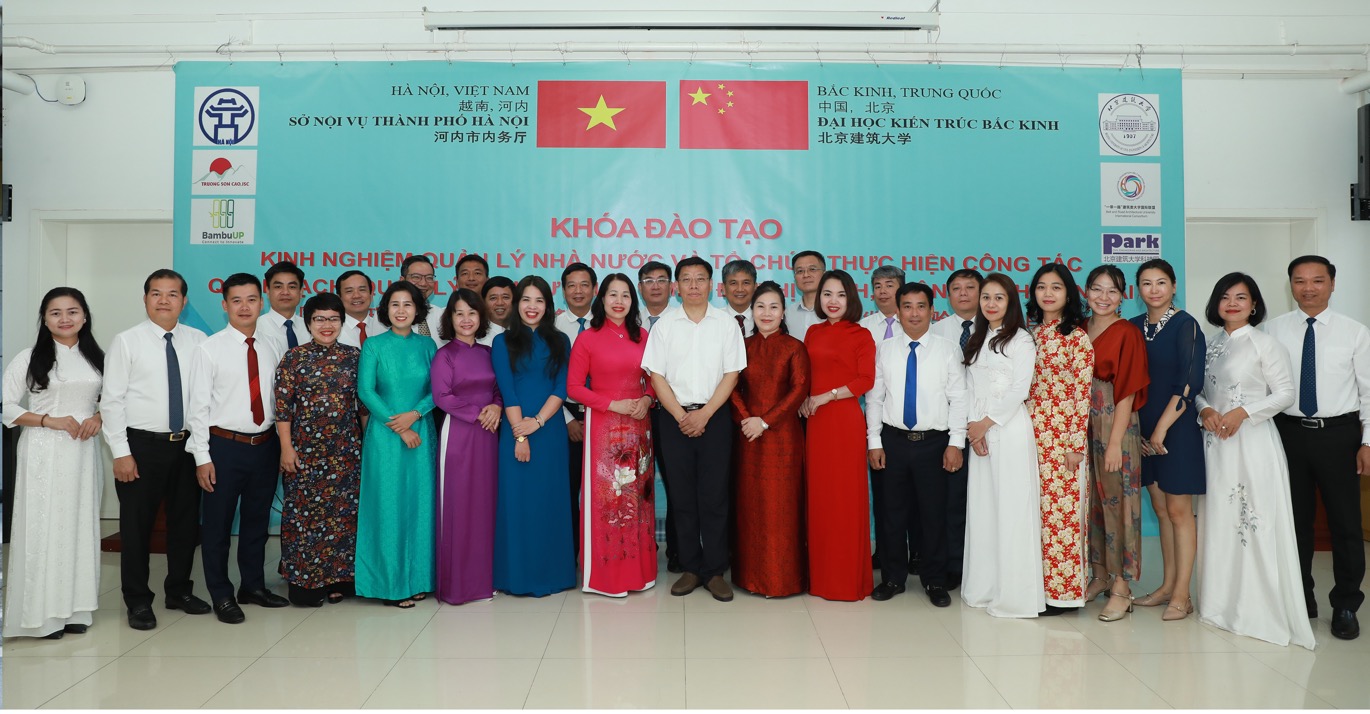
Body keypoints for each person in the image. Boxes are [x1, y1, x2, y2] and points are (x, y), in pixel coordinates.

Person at [1196, 273, 1314, 649]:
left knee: (1253, 520)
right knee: (1220, 521)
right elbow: (1199, 390)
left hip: (1252, 441)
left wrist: (1243, 413)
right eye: (1225, 297)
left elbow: (1285, 394)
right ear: (1216, 303)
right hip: (1216, 445)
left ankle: (1257, 609)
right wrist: (1205, 410)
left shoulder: (1265, 344)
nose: (1232, 303)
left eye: (1241, 297)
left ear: (1254, 305)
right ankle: (1219, 605)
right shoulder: (1211, 344)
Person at [100, 269, 211, 631]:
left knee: (185, 525)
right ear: (145, 298)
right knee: (136, 528)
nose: (164, 300)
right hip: (141, 447)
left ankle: (178, 591)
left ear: (184, 301)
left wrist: (201, 452)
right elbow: (111, 401)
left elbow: (201, 400)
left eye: (172, 294)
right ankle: (137, 600)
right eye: (156, 293)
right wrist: (120, 452)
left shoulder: (198, 340)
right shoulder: (127, 341)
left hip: (185, 446)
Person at [1265, 255, 1369, 640]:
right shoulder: (1272, 330)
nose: (1308, 288)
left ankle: (1345, 604)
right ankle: (1301, 598)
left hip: (1339, 435)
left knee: (1345, 523)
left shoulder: (1355, 332)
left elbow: (1368, 392)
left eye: (1317, 280)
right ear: (1290, 285)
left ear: (1332, 284)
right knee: (1293, 522)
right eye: (1300, 280)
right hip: (1287, 433)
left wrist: (1368, 441)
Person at [186, 273, 290, 624]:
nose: (245, 307)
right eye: (236, 300)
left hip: (264, 445)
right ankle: (221, 594)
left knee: (257, 522)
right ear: (224, 305)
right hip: (223, 447)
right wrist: (202, 457)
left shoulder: (273, 345)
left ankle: (253, 586)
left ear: (262, 302)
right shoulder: (209, 349)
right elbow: (197, 409)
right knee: (217, 527)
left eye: (251, 299)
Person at [2, 288, 105, 639]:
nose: (65, 319)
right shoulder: (29, 357)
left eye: (72, 311)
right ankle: (40, 617)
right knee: (43, 527)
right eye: (55, 312)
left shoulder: (97, 358)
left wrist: (99, 417)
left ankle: (75, 610)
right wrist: (49, 420)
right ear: (44, 320)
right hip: (43, 450)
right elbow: (6, 406)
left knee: (79, 525)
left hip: (83, 452)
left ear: (85, 316)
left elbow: (115, 400)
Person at [642, 257, 746, 602]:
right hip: (674, 420)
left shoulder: (726, 324)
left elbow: (732, 374)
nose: (694, 285)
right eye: (686, 279)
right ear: (677, 287)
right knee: (682, 496)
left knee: (715, 496)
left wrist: (705, 415)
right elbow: (656, 376)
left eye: (700, 279)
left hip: (715, 418)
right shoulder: (665, 326)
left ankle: (714, 570)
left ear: (712, 285)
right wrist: (680, 415)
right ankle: (690, 567)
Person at [866, 282, 967, 606]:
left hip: (934, 443)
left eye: (920, 306)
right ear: (897, 311)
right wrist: (874, 441)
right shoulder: (885, 349)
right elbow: (875, 399)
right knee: (890, 513)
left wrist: (955, 443)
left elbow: (959, 399)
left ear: (932, 311)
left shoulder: (948, 349)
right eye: (907, 306)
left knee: (933, 514)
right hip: (893, 441)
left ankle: (934, 580)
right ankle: (892, 578)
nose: (914, 313)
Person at [567, 273, 658, 597]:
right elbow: (573, 387)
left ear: (633, 301)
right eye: (612, 295)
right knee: (609, 496)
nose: (619, 301)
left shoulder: (643, 336)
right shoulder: (588, 338)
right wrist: (611, 403)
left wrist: (647, 399)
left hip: (639, 425)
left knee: (638, 497)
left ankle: (639, 571)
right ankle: (607, 577)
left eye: (625, 295)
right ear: (601, 299)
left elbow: (656, 381)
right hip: (604, 426)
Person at [960, 272, 1043, 618]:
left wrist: (986, 423)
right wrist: (974, 429)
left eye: (999, 298)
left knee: (1011, 509)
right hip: (979, 432)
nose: (991, 304)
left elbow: (1020, 389)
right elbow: (968, 388)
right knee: (984, 510)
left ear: (1010, 302)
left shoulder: (1021, 339)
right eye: (986, 297)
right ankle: (985, 588)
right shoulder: (977, 338)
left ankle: (1014, 595)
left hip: (1008, 430)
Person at [273, 292, 363, 608]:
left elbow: (364, 406)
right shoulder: (294, 358)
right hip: (305, 453)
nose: (327, 325)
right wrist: (286, 448)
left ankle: (338, 580)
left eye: (333, 319)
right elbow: (282, 409)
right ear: (308, 323)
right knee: (305, 518)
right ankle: (306, 582)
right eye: (320, 319)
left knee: (342, 517)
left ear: (342, 322)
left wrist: (368, 446)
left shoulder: (354, 357)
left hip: (346, 452)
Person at [1128, 259, 1206, 622]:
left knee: (1178, 512)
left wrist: (1160, 430)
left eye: (1161, 282)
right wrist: (1141, 432)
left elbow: (1189, 383)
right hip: (1143, 434)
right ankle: (1166, 586)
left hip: (1176, 430)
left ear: (1174, 286)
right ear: (1138, 290)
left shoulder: (1186, 325)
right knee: (1161, 511)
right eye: (1146, 283)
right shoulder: (1133, 327)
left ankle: (1182, 594)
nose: (1154, 289)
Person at [355, 280, 439, 608]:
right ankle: (390, 584)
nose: (401, 311)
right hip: (386, 437)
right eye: (395, 304)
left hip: (422, 433)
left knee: (420, 505)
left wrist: (415, 414)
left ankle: (419, 580)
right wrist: (400, 426)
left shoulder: (428, 346)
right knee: (388, 505)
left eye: (408, 304)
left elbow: (438, 390)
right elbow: (366, 391)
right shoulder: (374, 346)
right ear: (385, 309)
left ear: (418, 310)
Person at [491, 276, 576, 596]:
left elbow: (561, 387)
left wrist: (538, 422)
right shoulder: (502, 341)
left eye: (539, 300)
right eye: (526, 300)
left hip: (550, 430)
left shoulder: (560, 340)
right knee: (518, 502)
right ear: (517, 304)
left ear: (548, 306)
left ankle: (553, 574)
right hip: (515, 431)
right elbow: (507, 390)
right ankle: (517, 576)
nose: (532, 307)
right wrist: (520, 435)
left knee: (549, 501)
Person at [728, 282, 810, 597]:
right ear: (752, 311)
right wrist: (747, 419)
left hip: (783, 438)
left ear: (783, 312)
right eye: (760, 306)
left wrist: (765, 421)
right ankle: (750, 577)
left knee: (783, 507)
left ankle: (784, 579)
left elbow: (799, 389)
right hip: (748, 437)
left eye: (773, 307)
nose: (766, 313)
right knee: (749, 507)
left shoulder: (794, 347)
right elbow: (730, 386)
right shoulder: (741, 346)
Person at [802, 269, 876, 602]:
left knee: (845, 499)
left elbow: (865, 380)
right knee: (820, 498)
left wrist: (827, 396)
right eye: (827, 294)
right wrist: (804, 398)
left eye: (841, 295)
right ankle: (821, 578)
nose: (833, 301)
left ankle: (847, 580)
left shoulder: (861, 335)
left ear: (851, 299)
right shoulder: (813, 332)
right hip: (815, 424)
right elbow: (805, 375)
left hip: (844, 421)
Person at [1025, 263, 1094, 615]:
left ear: (1068, 293)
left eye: (1056, 287)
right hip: (1030, 438)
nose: (1048, 293)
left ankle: (1065, 597)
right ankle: (1038, 590)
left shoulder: (1076, 337)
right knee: (1037, 517)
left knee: (1062, 520)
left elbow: (1083, 394)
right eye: (1041, 287)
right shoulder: (1032, 335)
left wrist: (1075, 447)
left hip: (1063, 442)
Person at [1082, 266, 1150, 622]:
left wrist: (1114, 443)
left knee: (1120, 502)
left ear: (1123, 296)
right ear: (1086, 291)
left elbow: (1127, 392)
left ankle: (1122, 586)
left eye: (1112, 291)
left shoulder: (1127, 332)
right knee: (1091, 500)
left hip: (1114, 422)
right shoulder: (1079, 328)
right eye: (1097, 289)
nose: (1104, 297)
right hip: (1081, 424)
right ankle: (1100, 575)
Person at [431, 289, 503, 605]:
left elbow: (499, 389)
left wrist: (496, 407)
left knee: (486, 505)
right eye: (459, 313)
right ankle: (458, 585)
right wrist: (478, 413)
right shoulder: (444, 355)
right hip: (459, 434)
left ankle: (485, 579)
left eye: (472, 313)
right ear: (450, 318)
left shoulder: (489, 353)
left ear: (480, 317)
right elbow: (441, 397)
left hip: (489, 434)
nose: (466, 319)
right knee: (459, 505)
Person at [928, 267, 982, 589]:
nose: (963, 293)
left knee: (985, 503)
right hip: (947, 431)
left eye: (970, 287)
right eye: (956, 288)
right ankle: (954, 565)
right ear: (947, 295)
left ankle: (985, 566)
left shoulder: (996, 329)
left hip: (988, 428)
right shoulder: (936, 331)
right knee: (951, 502)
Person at [858, 265, 909, 575]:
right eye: (877, 286)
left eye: (889, 285)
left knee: (912, 493)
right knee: (881, 490)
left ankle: (914, 552)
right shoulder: (863, 327)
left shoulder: (917, 323)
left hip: (911, 420)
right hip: (874, 418)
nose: (883, 291)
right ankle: (883, 550)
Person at [637, 260, 680, 572]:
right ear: (640, 287)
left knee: (677, 483)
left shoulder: (682, 321)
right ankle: (640, 547)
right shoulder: (627, 320)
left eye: (661, 279)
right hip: (633, 415)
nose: (655, 286)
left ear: (671, 286)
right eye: (648, 280)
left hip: (671, 414)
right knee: (634, 484)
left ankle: (678, 550)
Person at [555, 262, 598, 558]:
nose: (578, 291)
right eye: (572, 285)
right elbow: (547, 379)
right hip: (563, 415)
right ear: (563, 290)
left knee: (606, 488)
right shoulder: (552, 327)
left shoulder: (609, 323)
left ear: (595, 289)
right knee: (567, 488)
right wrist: (568, 419)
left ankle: (600, 550)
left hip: (604, 414)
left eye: (584, 285)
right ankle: (571, 551)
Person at [256, 260, 311, 356]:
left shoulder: (310, 328)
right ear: (268, 291)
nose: (285, 292)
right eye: (278, 287)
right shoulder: (256, 328)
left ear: (301, 292)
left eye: (292, 287)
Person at [401, 254, 445, 344]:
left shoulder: (441, 316)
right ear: (402, 280)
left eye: (429, 278)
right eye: (416, 277)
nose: (423, 283)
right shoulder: (389, 315)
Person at [336, 269, 386, 349]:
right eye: (349, 291)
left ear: (371, 295)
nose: (356, 296)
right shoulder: (333, 329)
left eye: (362, 290)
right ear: (339, 298)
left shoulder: (384, 328)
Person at [785, 250, 825, 339]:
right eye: (800, 271)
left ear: (824, 274)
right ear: (794, 277)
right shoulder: (788, 314)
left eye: (812, 269)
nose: (806, 275)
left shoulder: (833, 312)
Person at [721, 259, 757, 335]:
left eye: (746, 283)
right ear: (723, 288)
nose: (740, 289)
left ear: (755, 287)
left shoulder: (764, 319)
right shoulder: (714, 319)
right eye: (733, 283)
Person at [480, 276, 515, 345]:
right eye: (493, 298)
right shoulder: (478, 338)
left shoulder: (524, 334)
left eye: (505, 297)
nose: (500, 303)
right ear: (484, 302)